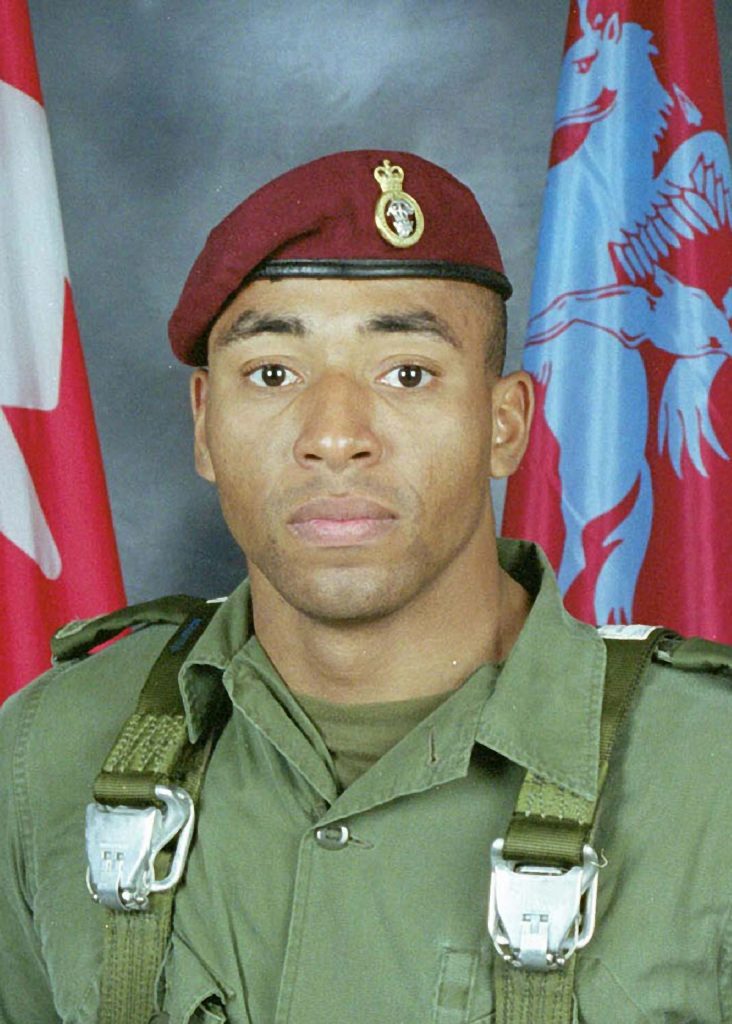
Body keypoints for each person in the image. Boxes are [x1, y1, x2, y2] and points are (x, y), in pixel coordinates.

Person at [1, 149, 730, 1024]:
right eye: (273, 374)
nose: (334, 436)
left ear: (504, 426)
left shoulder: (708, 776)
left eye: (407, 374)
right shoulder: (48, 750)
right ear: (204, 424)